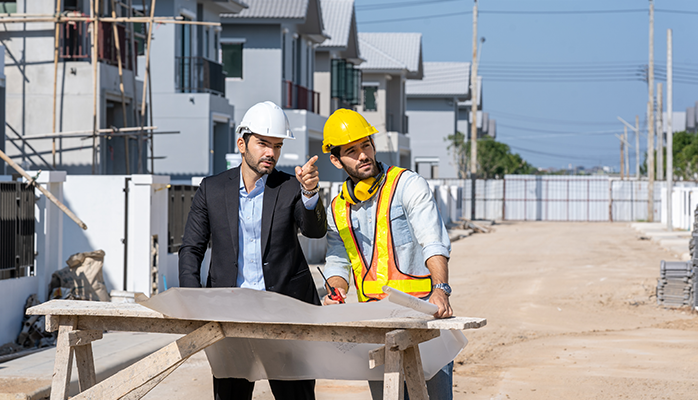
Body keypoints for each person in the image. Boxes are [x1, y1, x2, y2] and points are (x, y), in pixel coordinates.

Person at [178, 101, 326, 400]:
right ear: (242, 143)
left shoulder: (289, 187)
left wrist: (309, 194)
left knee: (296, 396)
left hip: (286, 314)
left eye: (277, 145)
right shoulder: (212, 189)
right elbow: (191, 249)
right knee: (230, 395)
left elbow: (314, 230)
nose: (270, 152)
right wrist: (193, 304)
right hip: (230, 314)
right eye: (263, 143)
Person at [320, 109, 454, 400]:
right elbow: (338, 259)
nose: (363, 155)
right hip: (375, 322)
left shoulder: (407, 185)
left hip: (424, 315)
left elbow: (433, 240)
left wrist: (441, 290)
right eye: (351, 151)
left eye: (366, 145)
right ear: (336, 159)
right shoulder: (337, 209)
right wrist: (337, 290)